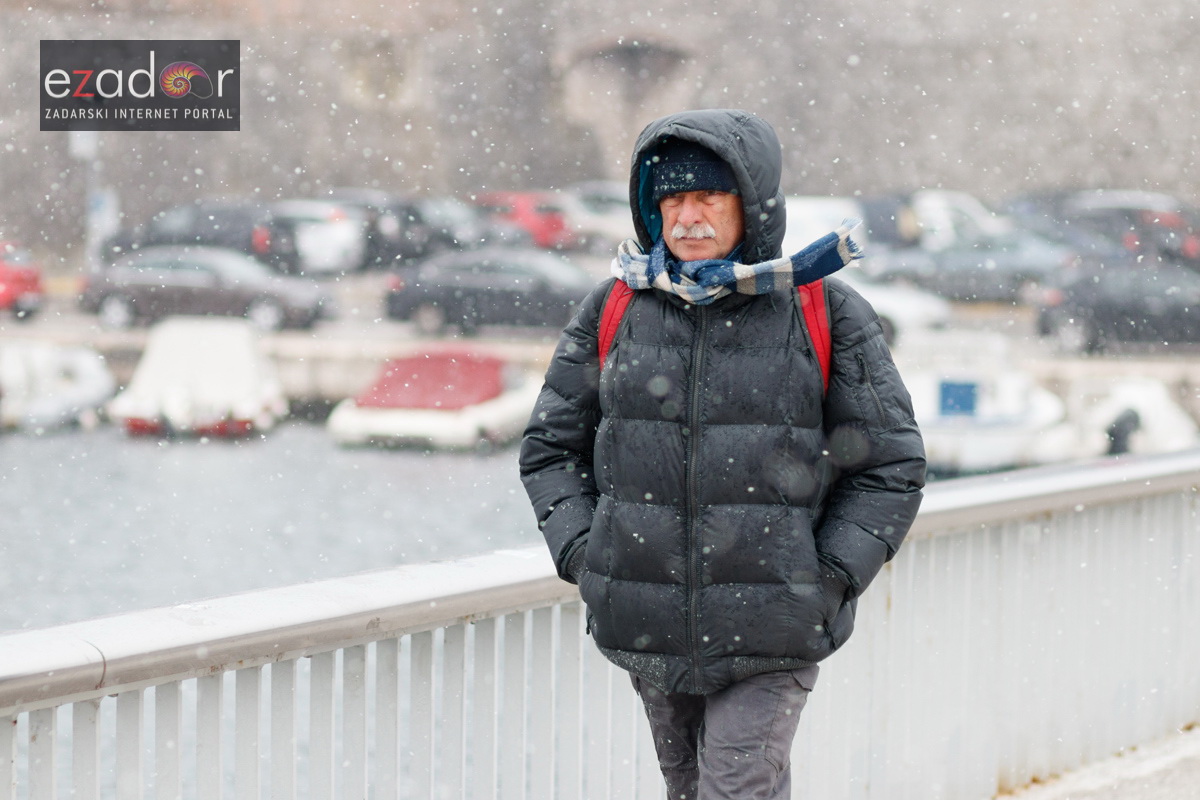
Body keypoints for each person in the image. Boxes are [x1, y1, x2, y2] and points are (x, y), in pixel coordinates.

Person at [519, 108, 925, 799]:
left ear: (752, 205)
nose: (687, 217)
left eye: (709, 196)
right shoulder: (616, 305)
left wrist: (825, 577)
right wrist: (590, 557)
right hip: (649, 628)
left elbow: (889, 466)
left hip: (776, 629)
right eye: (672, 199)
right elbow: (551, 449)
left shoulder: (824, 311)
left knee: (734, 788)